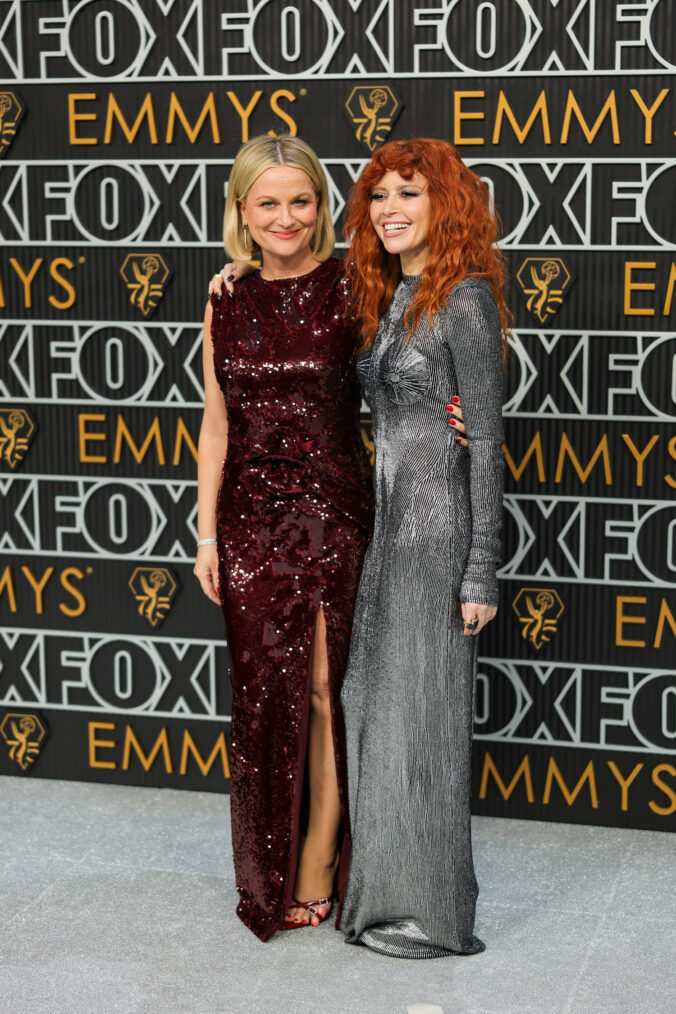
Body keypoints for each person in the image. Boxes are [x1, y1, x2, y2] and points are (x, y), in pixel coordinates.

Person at [194, 134, 375, 940]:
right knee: (265, 697)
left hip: (331, 511)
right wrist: (206, 538)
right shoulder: (224, 298)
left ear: (321, 206)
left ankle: (317, 862)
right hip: (248, 525)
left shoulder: (356, 286)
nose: (286, 217)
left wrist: (457, 416)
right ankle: (269, 861)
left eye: (300, 200)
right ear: (242, 210)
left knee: (322, 690)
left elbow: (413, 367)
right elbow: (216, 424)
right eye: (268, 202)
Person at [338, 138, 510, 958]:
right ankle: (382, 898)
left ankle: (435, 916)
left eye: (409, 192)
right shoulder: (390, 294)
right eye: (377, 196)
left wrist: (481, 570)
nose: (390, 209)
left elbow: (487, 441)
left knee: (428, 724)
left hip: (439, 539)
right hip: (388, 532)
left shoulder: (464, 300)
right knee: (375, 708)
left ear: (447, 204)